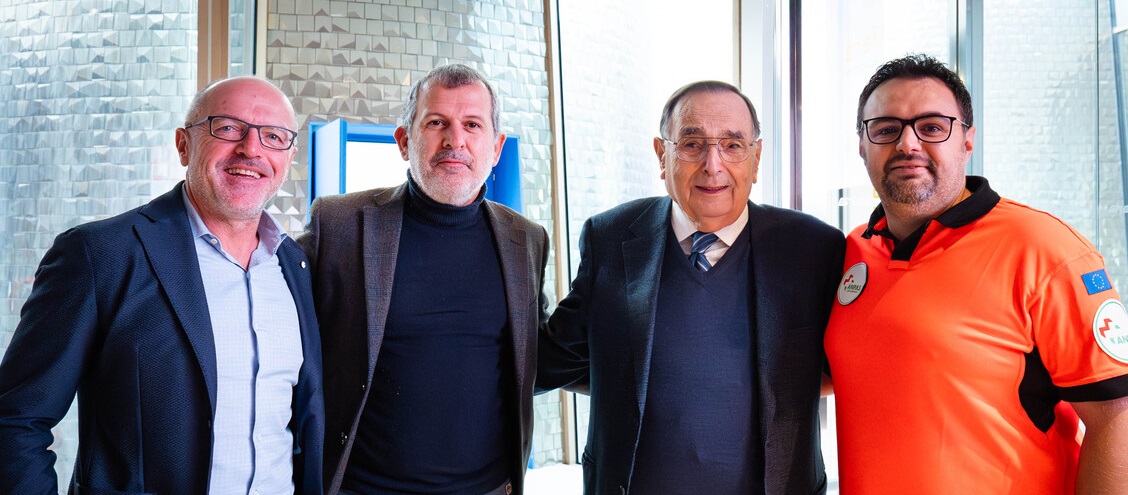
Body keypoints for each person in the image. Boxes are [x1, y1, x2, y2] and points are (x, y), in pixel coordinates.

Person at [0, 76, 324, 494]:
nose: (251, 148)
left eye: (274, 137)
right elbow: (16, 420)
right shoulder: (100, 255)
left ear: (289, 157)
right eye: (228, 128)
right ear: (183, 145)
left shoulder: (294, 265)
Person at [825, 53, 1128, 494]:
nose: (908, 144)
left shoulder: (1045, 249)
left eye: (932, 127)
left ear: (967, 139)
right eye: (886, 129)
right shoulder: (852, 252)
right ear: (861, 144)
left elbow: (1116, 418)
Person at [537, 80, 845, 494]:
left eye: (733, 145)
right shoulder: (610, 237)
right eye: (692, 144)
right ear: (662, 155)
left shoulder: (812, 248)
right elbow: (553, 358)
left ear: (756, 158)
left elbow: (850, 365)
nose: (713, 165)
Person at [298, 63, 549, 495]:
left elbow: (537, 354)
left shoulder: (525, 239)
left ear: (496, 147)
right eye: (436, 123)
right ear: (403, 140)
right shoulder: (339, 225)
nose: (455, 140)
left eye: (473, 125)